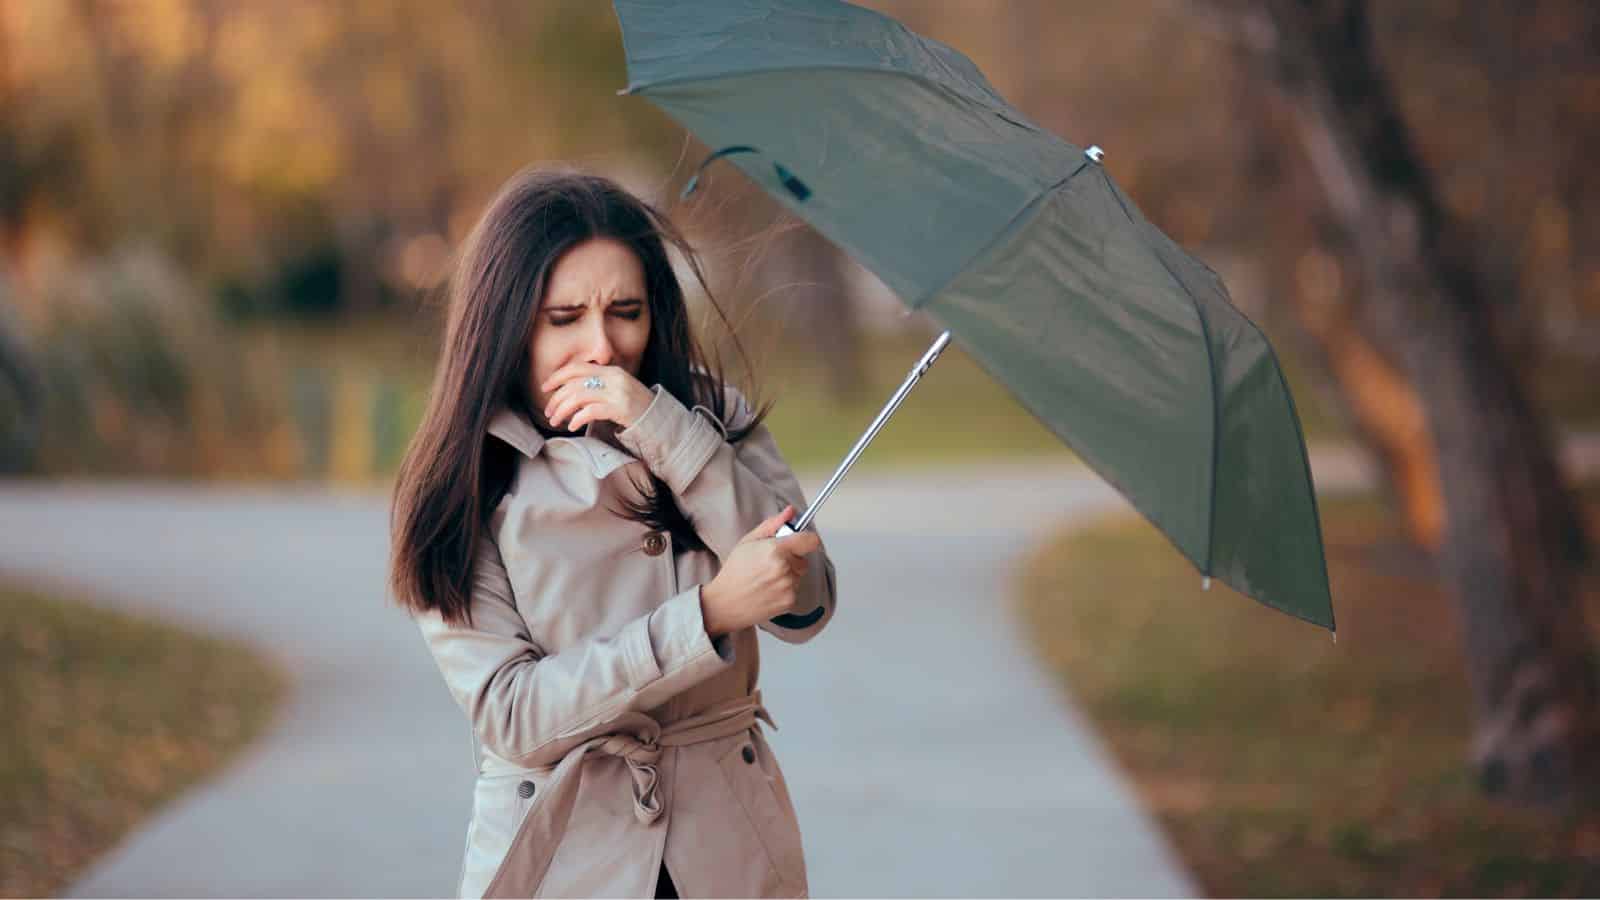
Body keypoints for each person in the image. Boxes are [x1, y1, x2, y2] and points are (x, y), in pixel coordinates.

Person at [388, 167, 838, 899]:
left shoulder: (712, 416)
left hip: (725, 849)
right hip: (565, 860)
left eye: (625, 311)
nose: (602, 346)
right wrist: (709, 616)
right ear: (506, 321)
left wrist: (664, 428)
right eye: (564, 318)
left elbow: (808, 601)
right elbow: (516, 715)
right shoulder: (466, 481)